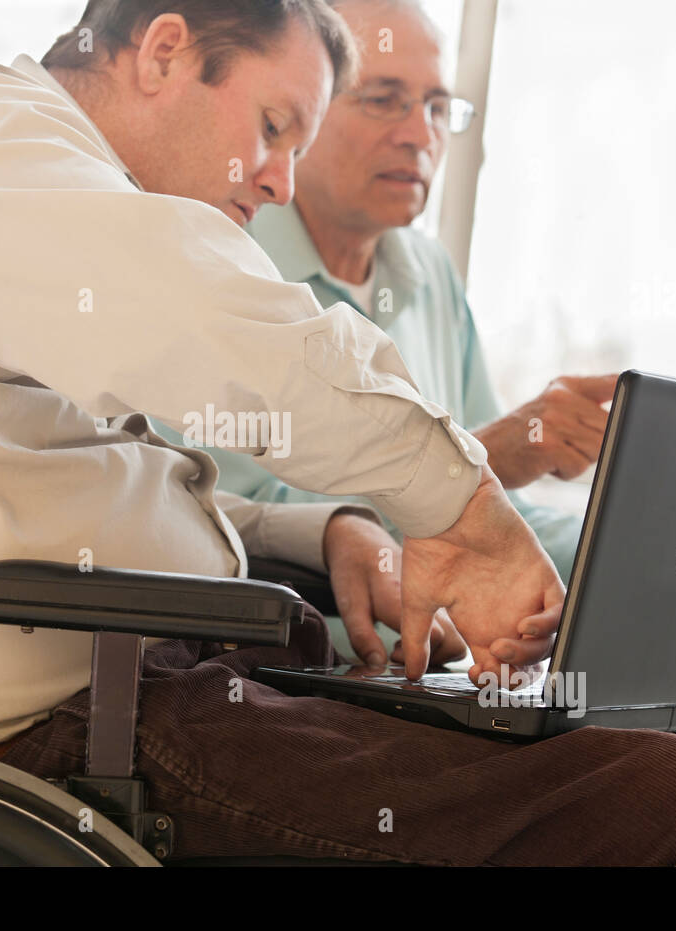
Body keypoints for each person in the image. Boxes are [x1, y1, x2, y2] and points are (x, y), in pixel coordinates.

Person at [0, 0, 676, 864]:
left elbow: (95, 488)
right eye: (271, 127)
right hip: (49, 744)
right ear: (165, 50)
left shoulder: (18, 184)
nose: (277, 182)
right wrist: (459, 506)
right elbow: (214, 327)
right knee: (674, 794)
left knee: (606, 753)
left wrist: (328, 534)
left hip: (140, 695)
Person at [154, 0, 614, 669]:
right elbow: (232, 516)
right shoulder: (224, 256)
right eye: (383, 99)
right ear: (303, 109)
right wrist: (480, 460)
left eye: (435, 107)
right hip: (291, 672)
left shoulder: (430, 274)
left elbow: (496, 513)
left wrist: (620, 556)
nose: (418, 134)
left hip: (433, 672)